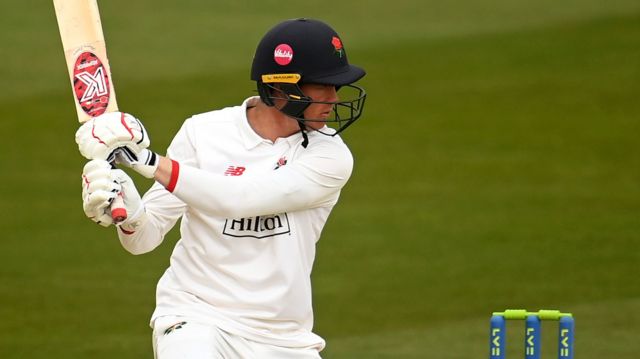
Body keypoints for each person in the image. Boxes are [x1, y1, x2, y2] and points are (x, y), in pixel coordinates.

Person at [76, 18, 366, 358]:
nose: (334, 98)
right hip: (195, 316)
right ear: (280, 87)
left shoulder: (330, 156)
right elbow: (143, 238)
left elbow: (239, 199)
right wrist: (126, 210)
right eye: (323, 86)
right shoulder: (204, 132)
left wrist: (146, 161)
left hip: (283, 338)